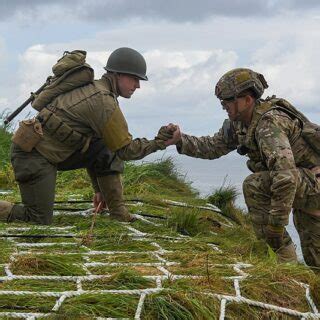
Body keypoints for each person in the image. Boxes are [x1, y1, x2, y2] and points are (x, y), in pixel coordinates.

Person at [163, 68, 320, 268]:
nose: (224, 106)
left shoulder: (268, 125)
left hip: (310, 185)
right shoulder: (240, 125)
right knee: (316, 263)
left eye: (228, 101)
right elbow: (213, 146)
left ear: (247, 99)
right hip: (305, 188)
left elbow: (285, 176)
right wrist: (180, 140)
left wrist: (275, 227)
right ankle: (289, 271)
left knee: (254, 184)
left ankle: (283, 262)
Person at [0, 47, 173, 225]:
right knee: (37, 218)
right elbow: (126, 151)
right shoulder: (102, 100)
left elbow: (101, 147)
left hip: (55, 153)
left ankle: (117, 211)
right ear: (117, 75)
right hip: (32, 156)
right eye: (135, 79)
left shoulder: (97, 91)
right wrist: (160, 142)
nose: (138, 85)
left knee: (107, 145)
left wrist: (100, 190)